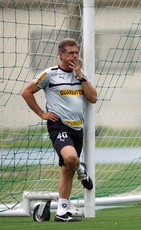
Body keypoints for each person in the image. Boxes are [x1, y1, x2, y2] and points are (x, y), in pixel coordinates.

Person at [21, 38, 97, 222]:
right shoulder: (50, 74)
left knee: (67, 170)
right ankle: (81, 169)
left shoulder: (80, 74)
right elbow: (26, 92)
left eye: (76, 53)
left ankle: (62, 212)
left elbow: (93, 98)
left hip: (77, 128)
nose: (75, 56)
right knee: (71, 159)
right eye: (70, 53)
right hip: (58, 125)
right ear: (61, 55)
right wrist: (41, 113)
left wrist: (81, 75)